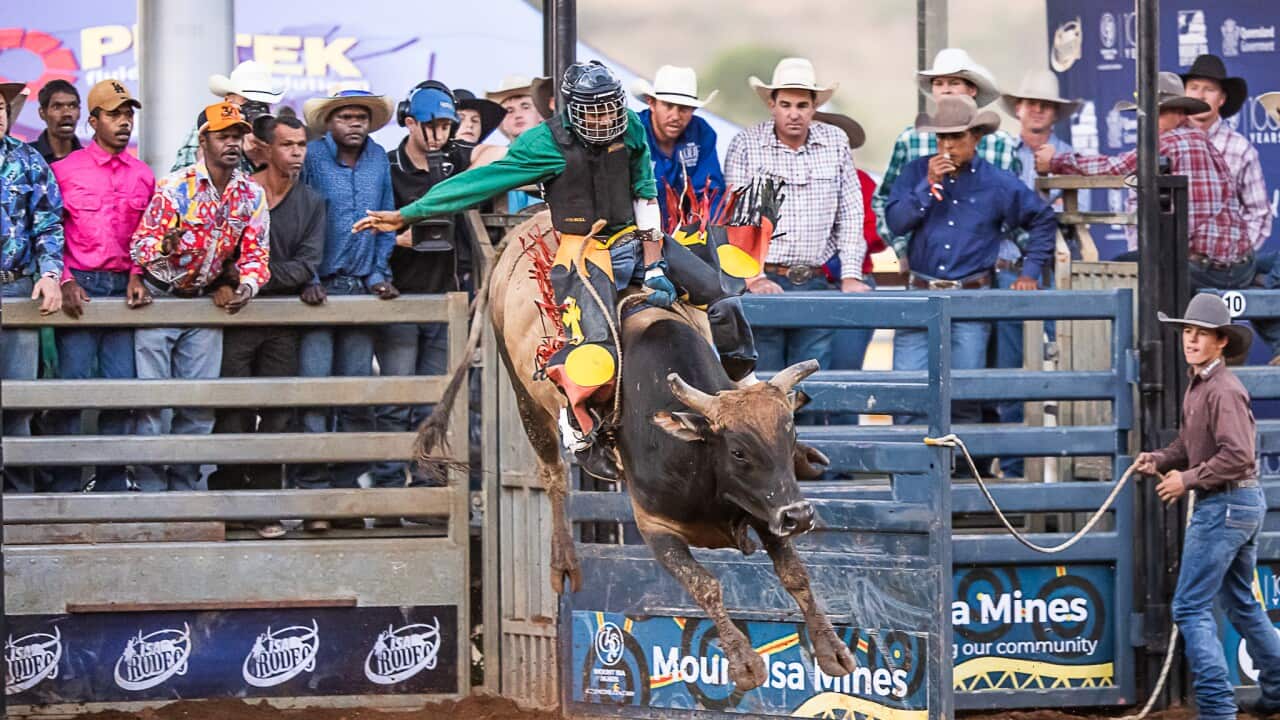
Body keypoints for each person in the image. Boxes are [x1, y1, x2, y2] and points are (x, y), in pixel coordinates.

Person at [354, 61, 761, 483]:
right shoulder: (543, 144)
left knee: (721, 295)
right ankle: (579, 427)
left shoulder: (632, 130)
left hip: (634, 238)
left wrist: (656, 261)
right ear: (574, 110)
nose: (605, 119)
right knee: (593, 345)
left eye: (610, 109)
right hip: (581, 249)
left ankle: (746, 387)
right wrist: (410, 213)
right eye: (595, 110)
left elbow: (644, 191)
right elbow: (482, 181)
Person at [1133, 293, 1280, 720]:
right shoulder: (1204, 385)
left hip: (1226, 504)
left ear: (1220, 342)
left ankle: (1217, 710)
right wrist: (1161, 460)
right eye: (1188, 332)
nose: (1191, 340)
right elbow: (1192, 445)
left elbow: (1237, 456)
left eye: (1201, 334)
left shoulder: (1222, 390)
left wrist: (1187, 479)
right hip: (1239, 503)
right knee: (1239, 601)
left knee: (1190, 607)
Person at [885, 95, 1055, 427]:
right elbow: (896, 222)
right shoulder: (916, 171)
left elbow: (1042, 218)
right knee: (906, 391)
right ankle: (908, 473)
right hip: (920, 292)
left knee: (964, 394)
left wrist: (1030, 272)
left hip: (971, 296)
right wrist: (927, 185)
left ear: (975, 138)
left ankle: (962, 474)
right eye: (942, 136)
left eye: (957, 136)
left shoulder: (996, 182)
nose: (948, 144)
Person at [129, 101, 269, 492]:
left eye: (238, 136)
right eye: (223, 136)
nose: (232, 144)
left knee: (199, 404)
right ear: (203, 141)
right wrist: (163, 246)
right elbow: (140, 248)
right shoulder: (175, 187)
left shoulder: (250, 194)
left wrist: (246, 286)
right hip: (160, 297)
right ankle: (152, 495)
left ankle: (186, 494)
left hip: (206, 300)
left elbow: (257, 254)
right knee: (154, 405)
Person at [208, 113, 323, 536]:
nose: (295, 152)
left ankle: (265, 506)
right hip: (239, 317)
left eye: (301, 145)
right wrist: (227, 277)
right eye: (287, 144)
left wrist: (246, 277)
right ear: (268, 149)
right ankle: (229, 500)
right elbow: (217, 253)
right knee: (233, 409)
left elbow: (307, 265)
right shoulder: (240, 194)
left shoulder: (310, 201)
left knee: (278, 412)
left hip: (280, 321)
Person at [1038, 73, 1250, 293]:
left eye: (1156, 113)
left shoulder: (1171, 140)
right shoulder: (1202, 141)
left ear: (1178, 113)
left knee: (1110, 275)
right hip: (1231, 267)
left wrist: (1055, 160)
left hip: (1200, 267)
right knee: (1135, 262)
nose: (1147, 121)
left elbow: (1115, 168)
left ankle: (1129, 327)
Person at [723, 57, 868, 375]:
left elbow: (851, 210)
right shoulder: (747, 144)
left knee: (811, 380)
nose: (793, 113)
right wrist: (753, 278)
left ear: (813, 107)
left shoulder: (835, 142)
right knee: (767, 379)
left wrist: (851, 274)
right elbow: (735, 219)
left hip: (815, 278)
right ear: (772, 105)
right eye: (785, 104)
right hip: (764, 279)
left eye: (802, 105)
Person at [296, 89, 398, 525]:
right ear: (329, 123)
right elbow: (299, 214)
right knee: (317, 392)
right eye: (345, 117)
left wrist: (378, 271)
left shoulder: (378, 160)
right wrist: (308, 276)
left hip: (360, 288)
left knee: (356, 393)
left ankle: (347, 489)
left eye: (361, 117)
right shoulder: (313, 158)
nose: (354, 124)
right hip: (317, 291)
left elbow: (389, 217)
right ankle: (315, 495)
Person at [48, 79, 153, 492]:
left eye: (128, 114)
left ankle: (111, 488)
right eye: (114, 114)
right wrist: (67, 279)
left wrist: (137, 274)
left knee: (121, 394)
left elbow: (147, 237)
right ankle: (64, 489)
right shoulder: (62, 171)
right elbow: (50, 232)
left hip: (124, 291)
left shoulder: (144, 175)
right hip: (81, 290)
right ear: (92, 121)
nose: (124, 122)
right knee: (69, 395)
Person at [369, 81, 464, 511]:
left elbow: (494, 164)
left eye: (446, 126)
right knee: (397, 396)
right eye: (433, 125)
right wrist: (398, 240)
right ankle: (389, 485)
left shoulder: (458, 163)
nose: (440, 134)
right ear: (410, 123)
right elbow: (364, 224)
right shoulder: (387, 167)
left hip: (447, 296)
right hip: (400, 295)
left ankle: (426, 489)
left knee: (434, 400)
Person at [992, 68, 1086, 477]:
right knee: (1011, 372)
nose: (1036, 111)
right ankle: (1015, 467)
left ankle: (1058, 468)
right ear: (1018, 109)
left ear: (1054, 113)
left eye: (1044, 105)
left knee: (1056, 366)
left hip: (1052, 272)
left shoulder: (1069, 156)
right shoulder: (1000, 154)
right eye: (1030, 104)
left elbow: (1072, 216)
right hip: (1007, 269)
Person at [873, 48, 1022, 272]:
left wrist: (998, 251)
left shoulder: (1001, 144)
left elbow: (1017, 206)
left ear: (972, 90)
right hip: (925, 267)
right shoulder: (910, 140)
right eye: (939, 83)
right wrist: (902, 249)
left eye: (954, 82)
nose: (946, 90)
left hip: (986, 269)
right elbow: (884, 200)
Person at [0, 81, 65, 493]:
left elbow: (47, 223)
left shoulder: (27, 160)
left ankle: (19, 503)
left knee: (18, 405)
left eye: (2, 107)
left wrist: (51, 273)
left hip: (15, 287)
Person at [813, 111, 884, 390]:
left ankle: (845, 429)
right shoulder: (794, 180)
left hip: (848, 284)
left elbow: (875, 232)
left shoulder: (863, 182)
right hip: (810, 283)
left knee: (846, 376)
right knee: (806, 375)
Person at [631, 65, 725, 228]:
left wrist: (706, 237)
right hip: (635, 234)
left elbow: (710, 194)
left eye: (684, 108)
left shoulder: (703, 134)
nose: (675, 116)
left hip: (687, 237)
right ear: (651, 103)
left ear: (693, 110)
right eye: (668, 105)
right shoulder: (631, 133)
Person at [171, 60, 283, 173]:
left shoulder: (276, 132)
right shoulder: (210, 126)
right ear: (229, 100)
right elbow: (181, 177)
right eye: (248, 100)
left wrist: (266, 160)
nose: (257, 108)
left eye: (263, 102)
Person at [29, 79, 82, 165]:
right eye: (57, 107)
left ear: (79, 112)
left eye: (72, 106)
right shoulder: (25, 158)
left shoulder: (89, 159)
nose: (67, 113)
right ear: (42, 113)